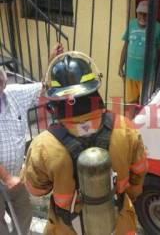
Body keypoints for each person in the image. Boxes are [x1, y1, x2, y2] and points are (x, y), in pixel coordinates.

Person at [23, 51, 148, 235]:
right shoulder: (125, 128)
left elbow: (36, 190)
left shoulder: (43, 145)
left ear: (55, 100)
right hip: (118, 227)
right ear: (94, 90)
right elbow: (139, 173)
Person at [0, 43, 64, 235]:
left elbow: (43, 89)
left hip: (14, 178)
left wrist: (52, 61)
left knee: (24, 214)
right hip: (7, 176)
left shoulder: (12, 94)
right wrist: (6, 177)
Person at [119, 0, 160, 118]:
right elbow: (126, 45)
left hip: (147, 76)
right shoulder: (131, 24)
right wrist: (120, 66)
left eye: (146, 14)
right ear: (136, 13)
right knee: (130, 102)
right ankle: (130, 124)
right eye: (140, 13)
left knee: (145, 104)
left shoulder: (158, 28)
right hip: (130, 73)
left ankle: (142, 127)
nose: (143, 17)